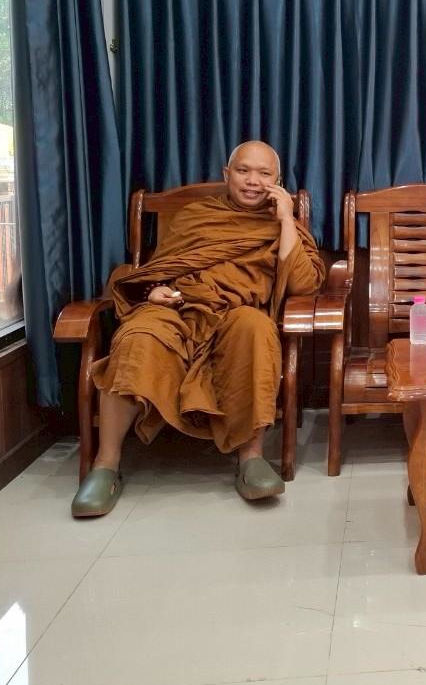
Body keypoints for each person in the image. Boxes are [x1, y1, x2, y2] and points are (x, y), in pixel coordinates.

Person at [70, 141, 326, 517]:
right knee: (138, 336)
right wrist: (153, 290)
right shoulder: (195, 216)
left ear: (278, 182)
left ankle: (251, 457)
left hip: (236, 314)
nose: (252, 181)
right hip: (178, 309)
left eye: (264, 174)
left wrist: (287, 218)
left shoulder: (286, 227)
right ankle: (105, 465)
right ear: (227, 174)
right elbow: (160, 269)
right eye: (243, 171)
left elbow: (304, 284)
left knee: (256, 328)